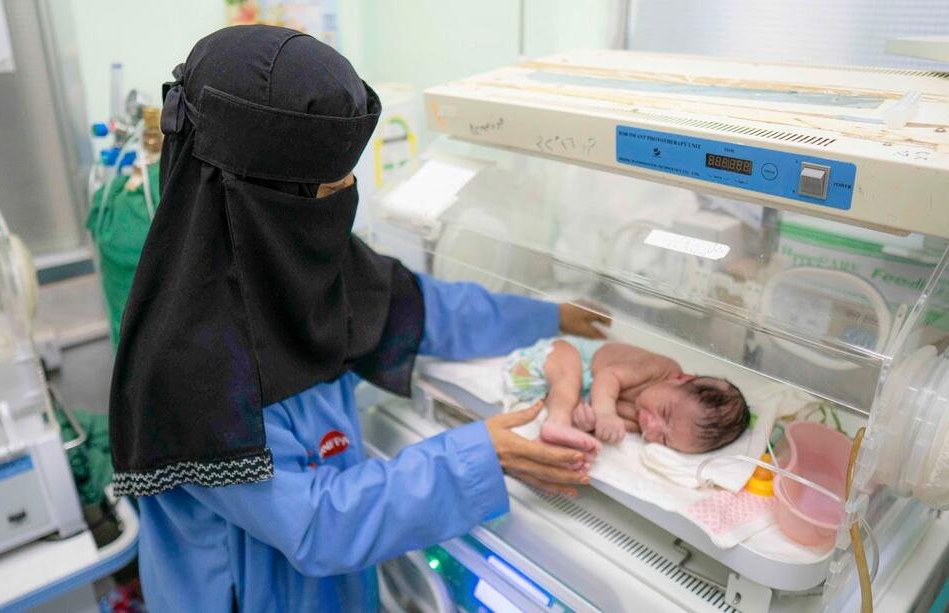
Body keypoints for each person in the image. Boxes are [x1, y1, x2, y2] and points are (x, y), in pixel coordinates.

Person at [107, 26, 608, 611]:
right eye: (325, 189)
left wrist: (552, 316)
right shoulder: (188, 366)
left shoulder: (293, 262)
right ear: (259, 202)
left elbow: (425, 308)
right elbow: (318, 525)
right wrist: (477, 456)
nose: (343, 204)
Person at [505, 337, 750, 454]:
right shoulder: (660, 368)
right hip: (551, 358)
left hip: (546, 389)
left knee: (567, 394)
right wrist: (605, 414)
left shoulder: (644, 423)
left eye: (664, 439)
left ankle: (558, 428)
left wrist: (592, 423)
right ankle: (556, 423)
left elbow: (606, 420)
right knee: (568, 377)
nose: (651, 427)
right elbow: (608, 377)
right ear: (679, 379)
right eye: (665, 413)